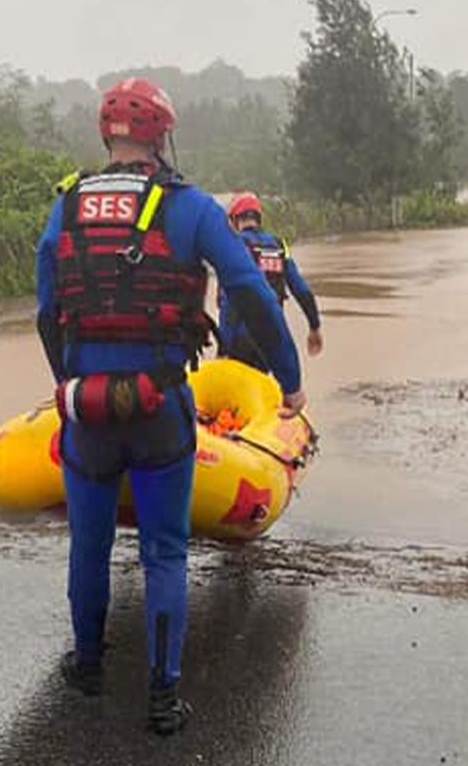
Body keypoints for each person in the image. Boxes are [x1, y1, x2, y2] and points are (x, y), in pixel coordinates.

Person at [34, 78, 306, 735]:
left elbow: (47, 314)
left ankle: (91, 664)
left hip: (85, 412)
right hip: (161, 409)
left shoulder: (66, 205)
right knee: (163, 552)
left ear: (109, 135)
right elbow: (249, 292)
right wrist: (291, 383)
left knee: (89, 544)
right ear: (161, 135)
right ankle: (162, 695)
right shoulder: (190, 208)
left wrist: (72, 385)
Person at [218, 192, 323, 369]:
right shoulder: (280, 247)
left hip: (242, 341)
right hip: (273, 338)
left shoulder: (235, 245)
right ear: (258, 218)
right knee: (265, 390)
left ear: (235, 220)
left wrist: (223, 348)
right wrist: (314, 326)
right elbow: (301, 289)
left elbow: (229, 301)